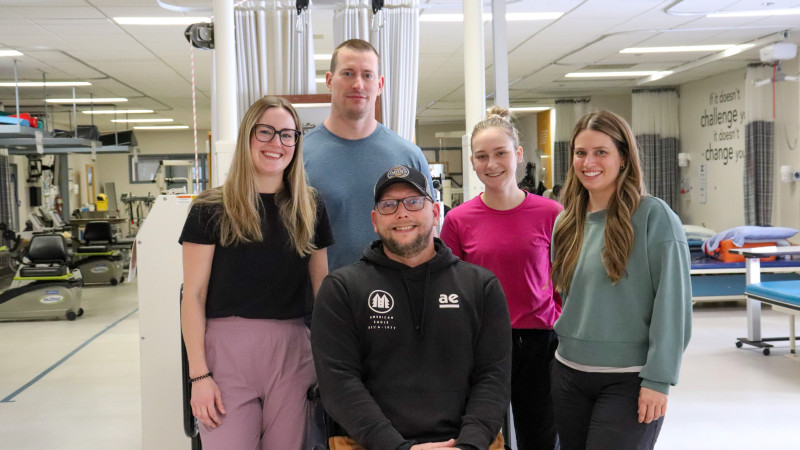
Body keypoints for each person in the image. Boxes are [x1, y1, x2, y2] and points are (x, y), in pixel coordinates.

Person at [311, 165, 512, 450]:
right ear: (374, 221)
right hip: (370, 443)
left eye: (414, 201)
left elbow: (494, 378)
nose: (402, 213)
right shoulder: (341, 289)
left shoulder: (481, 287)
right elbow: (339, 384)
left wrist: (469, 445)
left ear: (435, 212)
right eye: (389, 205)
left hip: (466, 442)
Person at [179, 96, 333, 450]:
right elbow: (194, 296)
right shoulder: (210, 209)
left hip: (293, 352)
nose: (276, 143)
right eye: (266, 132)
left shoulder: (311, 207)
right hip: (225, 353)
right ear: (248, 136)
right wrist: (198, 376)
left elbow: (322, 287)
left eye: (287, 135)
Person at [549, 110, 692, 450]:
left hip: (629, 378)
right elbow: (569, 299)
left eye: (601, 152)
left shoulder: (652, 216)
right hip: (568, 373)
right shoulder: (566, 222)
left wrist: (659, 379)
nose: (588, 162)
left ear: (624, 157)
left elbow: (673, 305)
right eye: (581, 153)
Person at [440, 106, 563, 450]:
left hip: (540, 343)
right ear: (472, 161)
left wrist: (559, 316)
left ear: (518, 154)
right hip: (482, 344)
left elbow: (567, 278)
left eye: (500, 153)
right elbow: (450, 289)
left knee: (539, 437)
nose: (491, 164)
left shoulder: (551, 213)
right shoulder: (458, 220)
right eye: (482, 156)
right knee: (484, 438)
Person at [304, 38, 432, 271]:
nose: (358, 84)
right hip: (324, 300)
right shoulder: (299, 156)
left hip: (398, 296)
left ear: (380, 84)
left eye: (367, 75)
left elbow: (428, 235)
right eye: (348, 73)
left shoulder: (409, 156)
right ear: (329, 81)